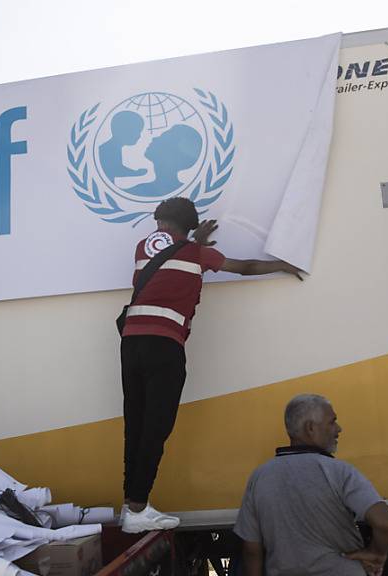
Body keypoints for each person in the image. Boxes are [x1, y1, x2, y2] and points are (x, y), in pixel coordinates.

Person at [119, 197, 304, 533]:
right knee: (156, 427)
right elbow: (245, 267)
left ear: (162, 221)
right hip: (164, 345)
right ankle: (137, 507)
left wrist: (193, 241)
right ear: (188, 227)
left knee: (136, 422)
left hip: (131, 342)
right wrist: (282, 265)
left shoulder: (142, 248)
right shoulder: (197, 254)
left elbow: (169, 257)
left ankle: (131, 505)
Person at [233, 394, 388, 576]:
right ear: (310, 428)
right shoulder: (339, 471)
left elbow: (251, 550)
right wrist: (376, 553)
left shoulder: (259, 477)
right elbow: (386, 523)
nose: (339, 429)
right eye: (332, 422)